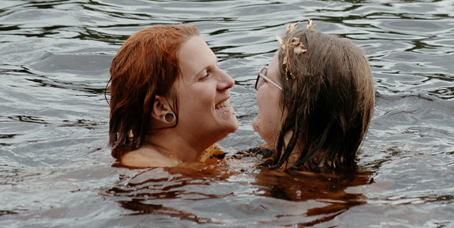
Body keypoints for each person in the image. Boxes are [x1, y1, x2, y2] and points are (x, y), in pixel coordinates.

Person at [109, 23, 238, 168]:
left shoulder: (199, 154)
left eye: (217, 67)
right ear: (161, 107)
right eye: (205, 75)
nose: (229, 81)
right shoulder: (150, 173)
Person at [253, 21, 374, 172]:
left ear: (296, 104)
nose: (256, 86)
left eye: (267, 80)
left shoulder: (296, 190)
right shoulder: (346, 178)